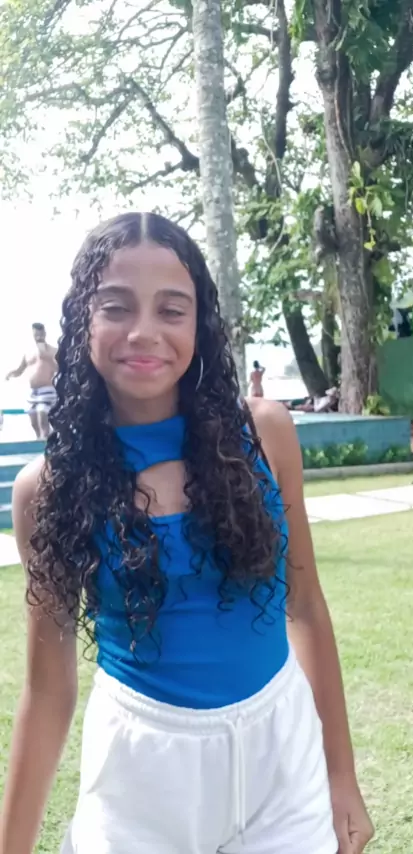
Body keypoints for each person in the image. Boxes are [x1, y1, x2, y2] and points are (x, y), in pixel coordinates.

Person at [0, 213, 373, 854]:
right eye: (116, 306)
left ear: (199, 325)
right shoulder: (49, 490)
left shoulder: (264, 435)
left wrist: (341, 774)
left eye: (171, 310)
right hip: (140, 773)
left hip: (280, 760)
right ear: (82, 320)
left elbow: (305, 607)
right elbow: (49, 686)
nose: (144, 331)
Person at [5, 322, 57, 439]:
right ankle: (41, 441)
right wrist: (11, 373)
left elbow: (60, 368)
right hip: (32, 392)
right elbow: (20, 369)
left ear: (45, 334)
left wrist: (47, 357)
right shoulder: (28, 352)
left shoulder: (53, 351)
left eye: (40, 334)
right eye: (36, 335)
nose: (39, 337)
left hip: (47, 390)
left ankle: (46, 440)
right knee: (34, 422)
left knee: (42, 416)